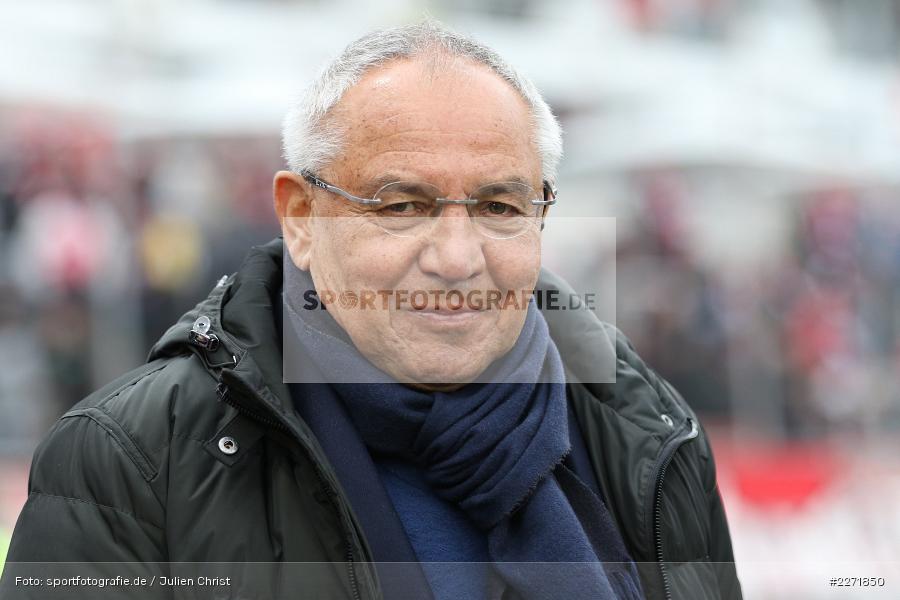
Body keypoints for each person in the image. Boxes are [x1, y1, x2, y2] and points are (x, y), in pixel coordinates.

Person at [1, 21, 742, 600]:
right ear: (300, 217)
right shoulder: (130, 460)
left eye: (499, 205)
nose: (457, 258)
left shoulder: (651, 434)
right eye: (402, 205)